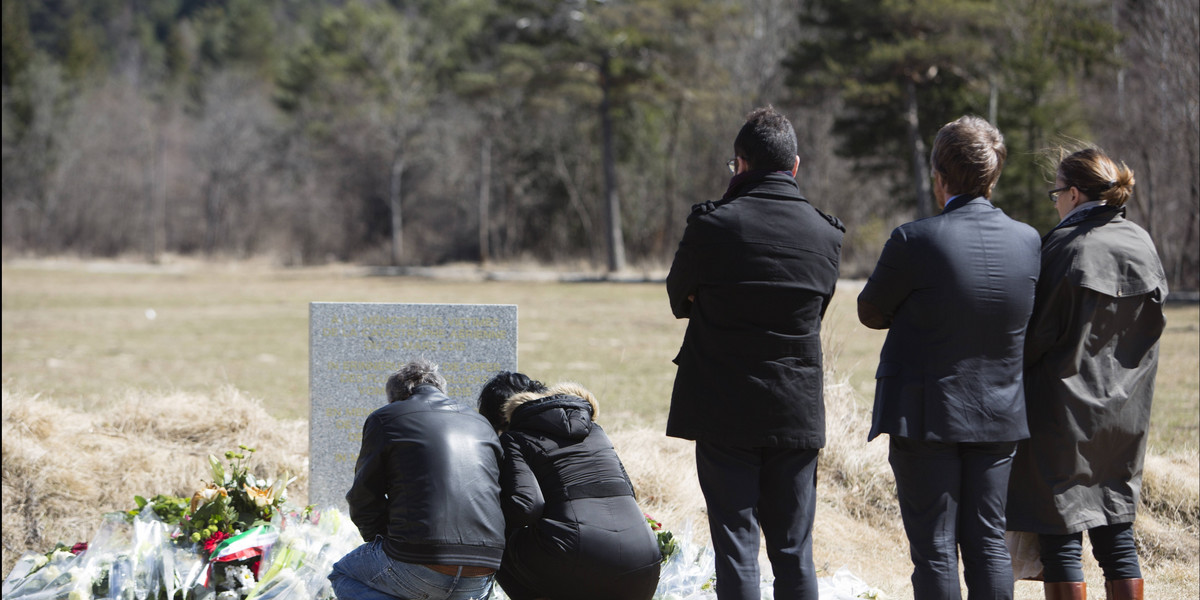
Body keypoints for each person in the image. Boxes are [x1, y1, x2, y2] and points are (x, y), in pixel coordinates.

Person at [857, 115, 1040, 599]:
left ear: (939, 177)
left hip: (927, 415)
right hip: (1000, 414)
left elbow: (870, 310)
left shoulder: (913, 240)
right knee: (988, 544)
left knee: (936, 547)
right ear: (993, 176)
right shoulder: (1029, 241)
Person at [665, 105, 844, 600]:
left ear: (739, 164)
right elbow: (816, 309)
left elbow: (679, 299)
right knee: (793, 550)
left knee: (736, 547)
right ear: (796, 165)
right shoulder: (826, 235)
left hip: (725, 405)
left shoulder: (712, 227)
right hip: (795, 408)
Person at [1006, 148, 1166, 600]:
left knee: (1060, 541)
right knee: (1117, 535)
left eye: (1056, 193)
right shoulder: (1142, 243)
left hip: (1062, 416)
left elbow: (1035, 336)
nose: (1055, 202)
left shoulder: (1064, 246)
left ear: (1074, 194)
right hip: (1125, 416)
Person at [329, 359, 505, 600]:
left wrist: (382, 540)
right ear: (441, 390)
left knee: (343, 574)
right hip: (484, 567)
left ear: (396, 398)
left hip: (419, 559)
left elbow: (364, 497)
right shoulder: (481, 424)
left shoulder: (386, 418)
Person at [476, 372, 662, 600]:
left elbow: (525, 507)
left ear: (501, 417)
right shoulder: (595, 431)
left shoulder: (515, 438)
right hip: (645, 563)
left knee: (497, 540)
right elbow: (628, 493)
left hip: (577, 559)